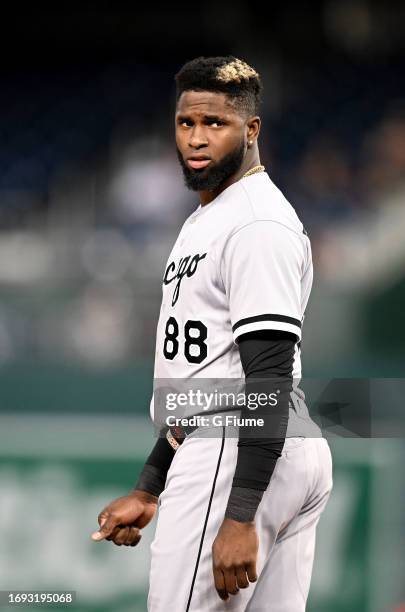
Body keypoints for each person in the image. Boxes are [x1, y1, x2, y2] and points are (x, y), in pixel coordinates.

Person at [91, 56, 333, 612]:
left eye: (215, 123)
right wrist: (151, 484)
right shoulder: (214, 215)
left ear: (252, 130)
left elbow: (266, 375)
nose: (197, 138)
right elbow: (207, 381)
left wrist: (240, 513)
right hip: (251, 440)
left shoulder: (256, 223)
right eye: (186, 123)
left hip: (241, 449)